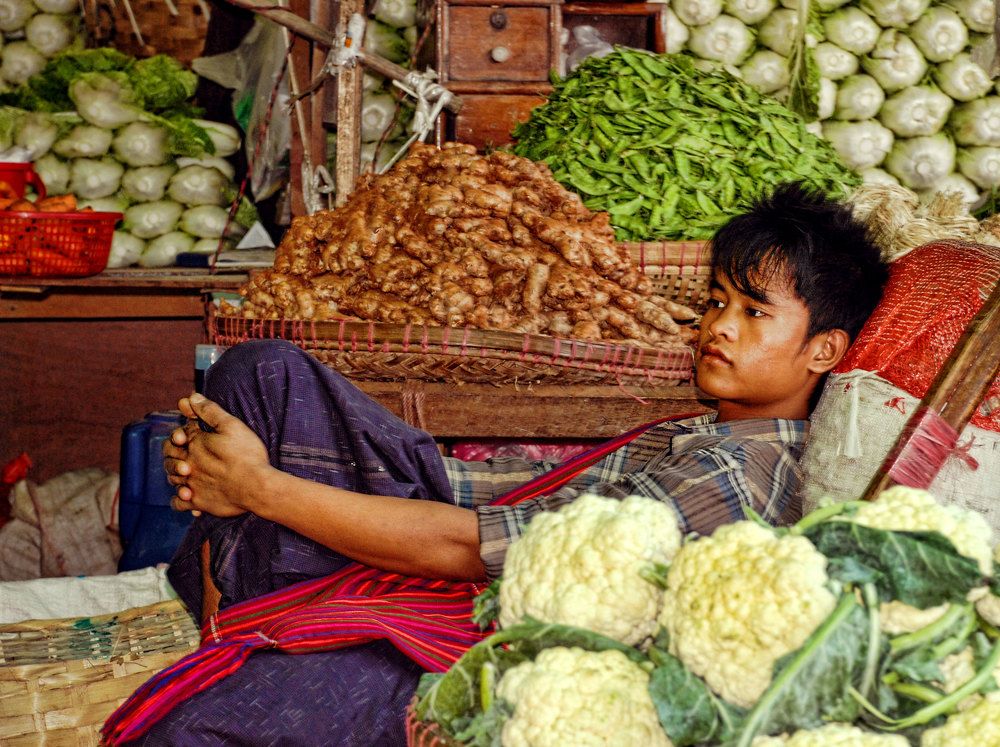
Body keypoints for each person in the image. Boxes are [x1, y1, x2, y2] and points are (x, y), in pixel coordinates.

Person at [133, 183, 888, 744]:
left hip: (486, 628)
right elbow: (484, 494)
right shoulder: (703, 433)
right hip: (488, 536)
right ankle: (274, 603)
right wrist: (252, 477)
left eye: (753, 313)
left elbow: (473, 549)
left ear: (824, 350)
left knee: (194, 728)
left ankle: (278, 619)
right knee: (263, 376)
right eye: (717, 301)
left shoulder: (732, 478)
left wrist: (261, 486)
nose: (716, 327)